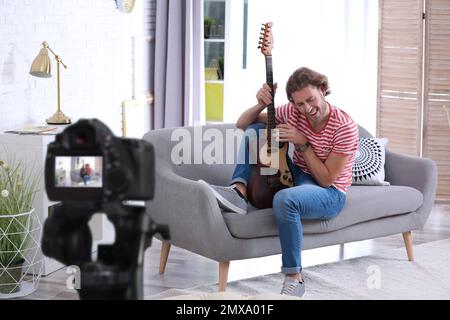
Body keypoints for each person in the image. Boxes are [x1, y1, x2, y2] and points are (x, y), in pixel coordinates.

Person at [200, 67, 359, 298]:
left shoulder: (344, 127)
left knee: (285, 199)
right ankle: (239, 191)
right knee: (254, 131)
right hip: (299, 174)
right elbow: (242, 124)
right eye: (299, 104)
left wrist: (302, 142)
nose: (307, 109)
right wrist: (261, 104)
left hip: (330, 192)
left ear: (323, 90)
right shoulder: (294, 112)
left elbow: (326, 179)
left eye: (310, 100)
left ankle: (295, 276)